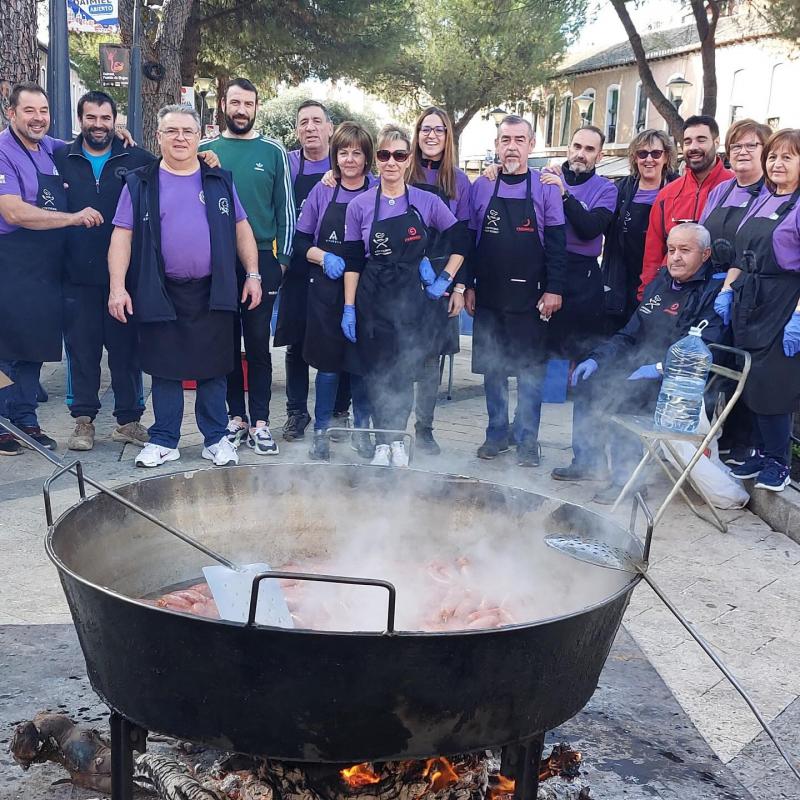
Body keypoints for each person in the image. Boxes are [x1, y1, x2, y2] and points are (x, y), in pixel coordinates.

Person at [108, 104, 262, 468]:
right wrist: (118, 287)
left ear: (198, 138)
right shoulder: (140, 182)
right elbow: (121, 237)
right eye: (171, 131)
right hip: (159, 289)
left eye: (187, 132)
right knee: (164, 369)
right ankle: (164, 439)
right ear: (158, 137)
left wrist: (253, 274)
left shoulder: (218, 179)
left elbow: (242, 228)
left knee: (213, 368)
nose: (179, 138)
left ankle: (214, 438)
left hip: (213, 289)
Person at [570, 223, 727, 503]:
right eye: (671, 250)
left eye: (685, 250)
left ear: (705, 254)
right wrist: (595, 359)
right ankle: (589, 462)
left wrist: (658, 369)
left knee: (621, 397)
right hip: (642, 370)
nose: (675, 257)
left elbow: (705, 349)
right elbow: (629, 334)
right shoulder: (661, 282)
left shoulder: (712, 292)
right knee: (588, 383)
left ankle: (628, 481)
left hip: (681, 387)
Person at [341, 125, 466, 467]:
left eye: (399, 155)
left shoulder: (427, 201)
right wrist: (349, 307)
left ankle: (399, 441)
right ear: (376, 160)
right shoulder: (360, 205)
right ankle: (383, 442)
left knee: (403, 373)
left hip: (413, 300)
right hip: (374, 298)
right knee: (379, 373)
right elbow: (353, 261)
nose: (391, 162)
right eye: (384, 155)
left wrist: (445, 278)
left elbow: (461, 240)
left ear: (409, 159)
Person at [0, 82, 103, 456]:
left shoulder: (50, 147)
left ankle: (25, 419)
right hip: (11, 261)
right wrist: (72, 217)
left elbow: (90, 145)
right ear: (11, 113)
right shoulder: (2, 151)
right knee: (5, 349)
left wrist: (118, 134)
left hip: (46, 266)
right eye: (29, 111)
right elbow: (12, 211)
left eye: (43, 111)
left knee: (34, 347)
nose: (38, 118)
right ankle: (0, 422)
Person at [54, 91, 154, 452]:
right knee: (82, 352)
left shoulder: (138, 159)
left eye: (105, 118)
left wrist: (206, 156)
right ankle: (83, 421)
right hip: (75, 275)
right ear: (80, 119)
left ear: (116, 121)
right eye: (91, 118)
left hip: (124, 277)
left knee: (127, 351)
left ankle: (128, 421)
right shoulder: (60, 157)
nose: (98, 125)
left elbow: (177, 169)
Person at [200, 78, 294, 456]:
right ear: (224, 104)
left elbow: (286, 209)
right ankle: (235, 418)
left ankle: (260, 421)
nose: (241, 110)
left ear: (257, 107)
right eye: (235, 102)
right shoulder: (204, 149)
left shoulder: (272, 151)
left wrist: (283, 262)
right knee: (225, 344)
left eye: (248, 103)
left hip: (263, 260)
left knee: (257, 344)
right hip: (218, 263)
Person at [465, 115, 566, 467]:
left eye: (519, 139)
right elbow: (469, 241)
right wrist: (468, 285)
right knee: (493, 370)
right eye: (505, 139)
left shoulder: (546, 187)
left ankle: (527, 440)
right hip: (489, 296)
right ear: (496, 146)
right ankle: (496, 434)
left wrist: (555, 289)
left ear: (531, 144)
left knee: (530, 372)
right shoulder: (481, 186)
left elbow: (556, 243)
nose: (512, 146)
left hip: (531, 299)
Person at [717, 129, 800, 492]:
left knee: (773, 381)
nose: (777, 163)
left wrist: (798, 318)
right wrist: (725, 291)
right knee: (749, 376)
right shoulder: (762, 199)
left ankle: (779, 461)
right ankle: (763, 451)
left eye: (788, 157)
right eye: (773, 157)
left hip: (784, 299)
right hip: (749, 296)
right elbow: (739, 255)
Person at [293, 121, 376, 461]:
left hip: (368, 294)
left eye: (357, 152)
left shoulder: (378, 192)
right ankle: (321, 434)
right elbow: (299, 242)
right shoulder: (323, 190)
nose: (350, 159)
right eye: (343, 152)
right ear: (335, 156)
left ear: (367, 157)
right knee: (327, 367)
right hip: (326, 294)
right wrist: (323, 256)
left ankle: (361, 431)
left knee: (361, 367)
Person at [699, 118, 772, 466]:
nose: (742, 152)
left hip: (750, 293)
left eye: (751, 146)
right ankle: (710, 439)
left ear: (766, 151)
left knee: (743, 365)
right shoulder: (722, 190)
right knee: (713, 362)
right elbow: (702, 235)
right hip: (710, 286)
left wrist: (729, 288)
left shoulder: (774, 195)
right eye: (737, 145)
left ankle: (741, 446)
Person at [276, 100, 349, 442]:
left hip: (339, 275)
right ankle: (296, 412)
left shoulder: (348, 164)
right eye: (303, 122)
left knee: (341, 342)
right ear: (296, 130)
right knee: (296, 344)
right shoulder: (288, 164)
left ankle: (337, 411)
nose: (310, 127)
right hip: (299, 266)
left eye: (316, 121)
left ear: (330, 128)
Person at [407, 106, 470, 454]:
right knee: (398, 356)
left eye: (439, 130)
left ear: (448, 137)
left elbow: (467, 239)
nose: (431, 136)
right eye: (425, 130)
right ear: (416, 135)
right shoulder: (400, 169)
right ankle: (391, 429)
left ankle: (425, 430)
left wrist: (457, 285)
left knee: (431, 362)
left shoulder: (459, 182)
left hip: (441, 283)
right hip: (401, 280)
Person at [639, 115, 733, 296]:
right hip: (671, 293)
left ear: (716, 142)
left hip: (717, 294)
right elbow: (653, 252)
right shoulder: (667, 194)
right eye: (688, 141)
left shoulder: (734, 188)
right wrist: (646, 293)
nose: (693, 147)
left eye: (701, 140)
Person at [601, 129, 677, 328]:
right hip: (620, 273)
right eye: (642, 154)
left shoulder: (677, 189)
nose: (648, 159)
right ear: (635, 158)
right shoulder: (620, 188)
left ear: (666, 157)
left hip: (661, 277)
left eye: (656, 153)